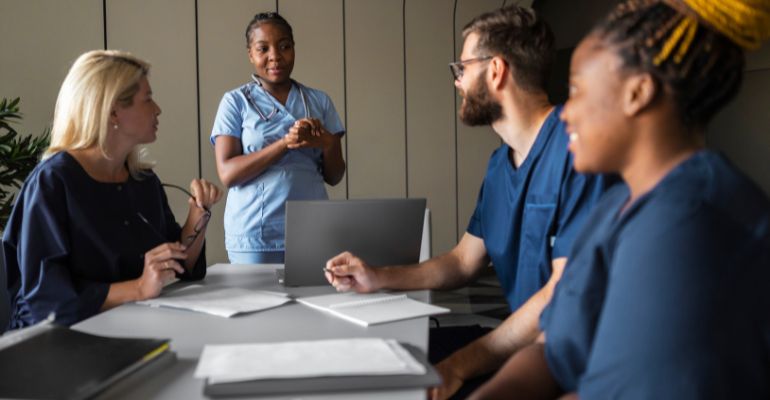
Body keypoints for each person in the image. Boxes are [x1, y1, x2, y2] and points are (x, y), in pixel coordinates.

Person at [470, 0, 770, 398]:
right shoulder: (615, 207)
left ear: (637, 93)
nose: (566, 113)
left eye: (577, 90)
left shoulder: (693, 225)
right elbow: (555, 351)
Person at [325, 6, 611, 399]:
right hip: (522, 347)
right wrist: (378, 276)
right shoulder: (500, 164)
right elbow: (463, 261)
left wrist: (459, 365)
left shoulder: (578, 151)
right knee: (373, 366)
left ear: (495, 71)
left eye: (462, 69)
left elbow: (562, 293)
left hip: (571, 365)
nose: (458, 82)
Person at [1, 50, 223, 329]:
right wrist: (139, 288)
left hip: (132, 327)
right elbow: (44, 301)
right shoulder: (53, 183)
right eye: (147, 99)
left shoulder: (143, 180)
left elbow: (180, 265)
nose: (157, 109)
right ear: (113, 111)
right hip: (59, 344)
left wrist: (198, 214)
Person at [211, 12, 346, 264]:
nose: (275, 56)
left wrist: (328, 143)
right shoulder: (235, 102)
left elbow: (335, 176)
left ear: (294, 49)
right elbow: (228, 174)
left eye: (284, 46)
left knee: (314, 301)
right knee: (256, 303)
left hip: (313, 230)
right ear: (250, 54)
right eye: (263, 48)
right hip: (255, 234)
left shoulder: (319, 101)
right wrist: (285, 143)